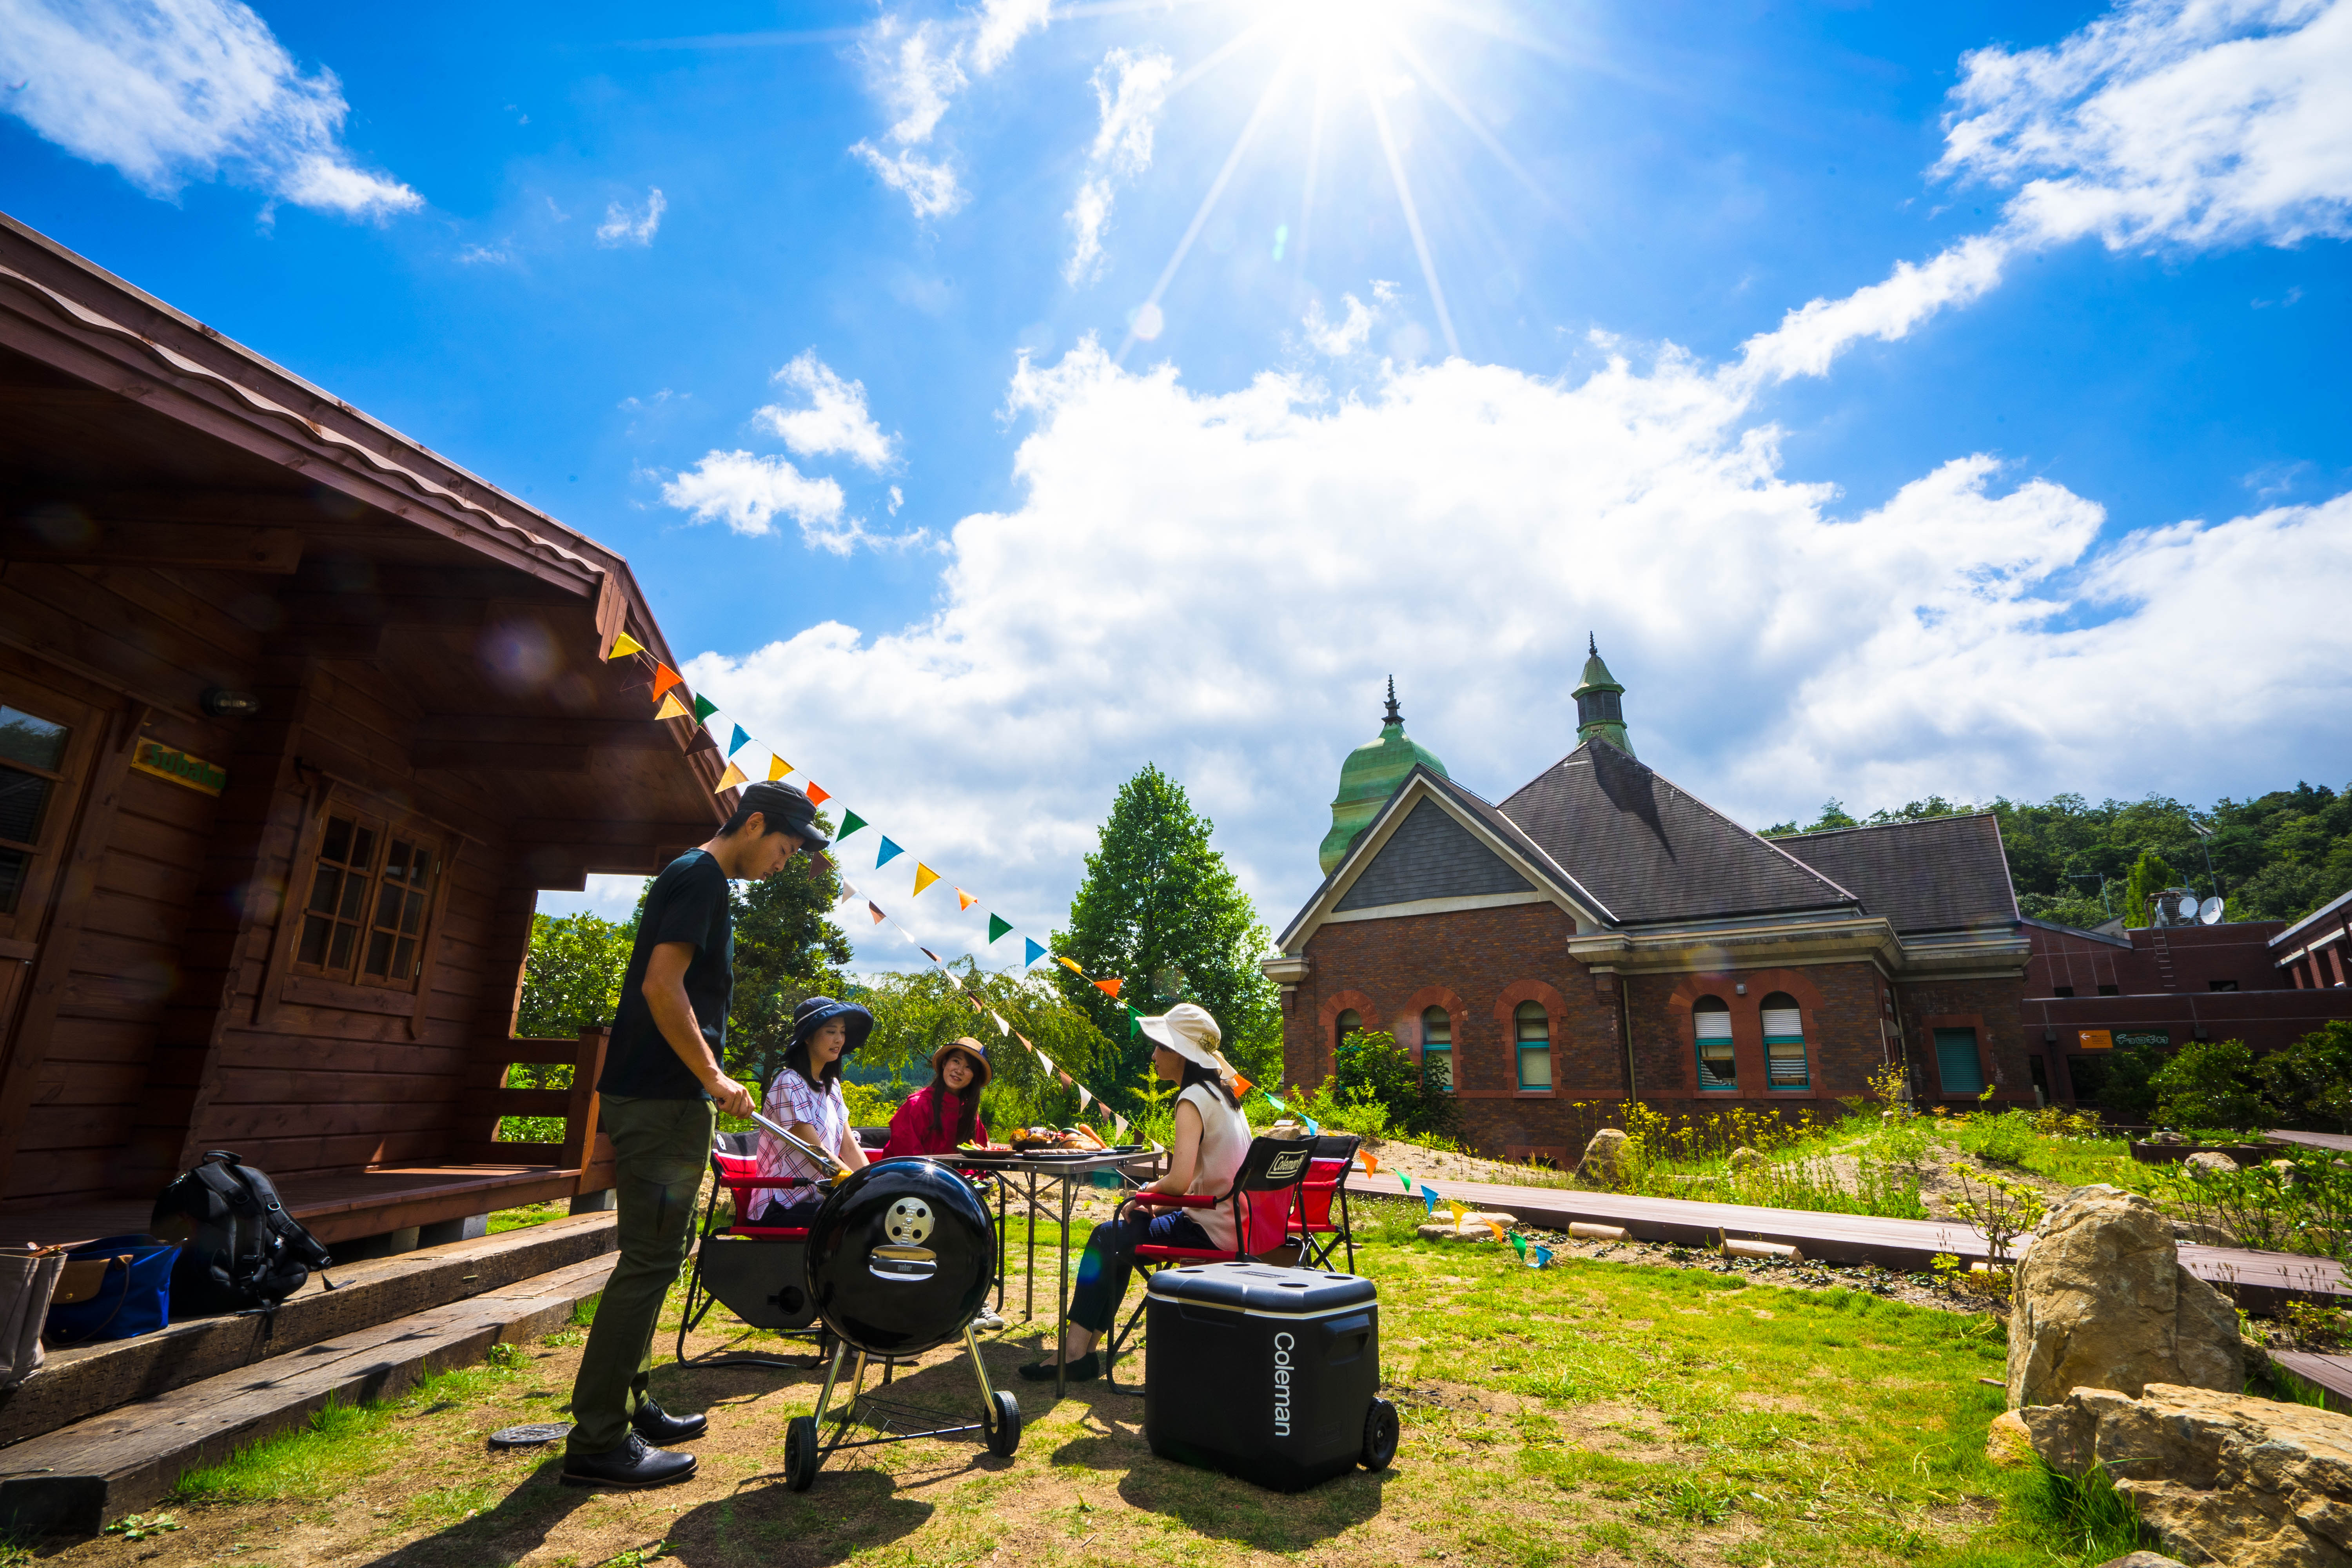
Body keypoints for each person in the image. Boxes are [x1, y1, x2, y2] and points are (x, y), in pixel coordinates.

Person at [562, 780, 828, 1490]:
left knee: (665, 1251)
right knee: (650, 1260)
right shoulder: (702, 877)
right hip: (660, 1099)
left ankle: (630, 1402)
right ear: (757, 824)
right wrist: (714, 1077)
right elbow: (660, 986)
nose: (785, 862)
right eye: (785, 846)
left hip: (668, 1099)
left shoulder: (702, 880)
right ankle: (597, 1439)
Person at [1017, 1002, 1249, 1382]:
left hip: (1208, 1228)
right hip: (1229, 1221)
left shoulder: (1192, 1099)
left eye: (1160, 1046)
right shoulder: (1224, 1095)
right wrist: (1153, 1203)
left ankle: (1075, 1353)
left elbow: (1178, 1179)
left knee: (1108, 1235)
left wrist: (1144, 1195)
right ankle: (1085, 1350)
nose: (1153, 1055)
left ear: (1181, 1053)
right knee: (1120, 1238)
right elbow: (1206, 1177)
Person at [751, 996, 873, 1223]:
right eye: (831, 1031)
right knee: (859, 1222)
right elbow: (817, 1155)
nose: (839, 1040)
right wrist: (859, 1190)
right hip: (781, 1203)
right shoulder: (789, 1083)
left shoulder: (833, 1087)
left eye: (843, 1032)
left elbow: (849, 1147)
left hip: (819, 1200)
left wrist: (873, 1184)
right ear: (808, 1037)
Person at [879, 1037, 992, 1159]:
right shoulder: (917, 1105)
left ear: (975, 1076)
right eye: (956, 1061)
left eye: (969, 1067)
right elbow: (909, 1161)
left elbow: (982, 1157)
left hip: (961, 1179)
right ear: (944, 1063)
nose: (959, 1071)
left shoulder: (970, 1114)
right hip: (913, 1176)